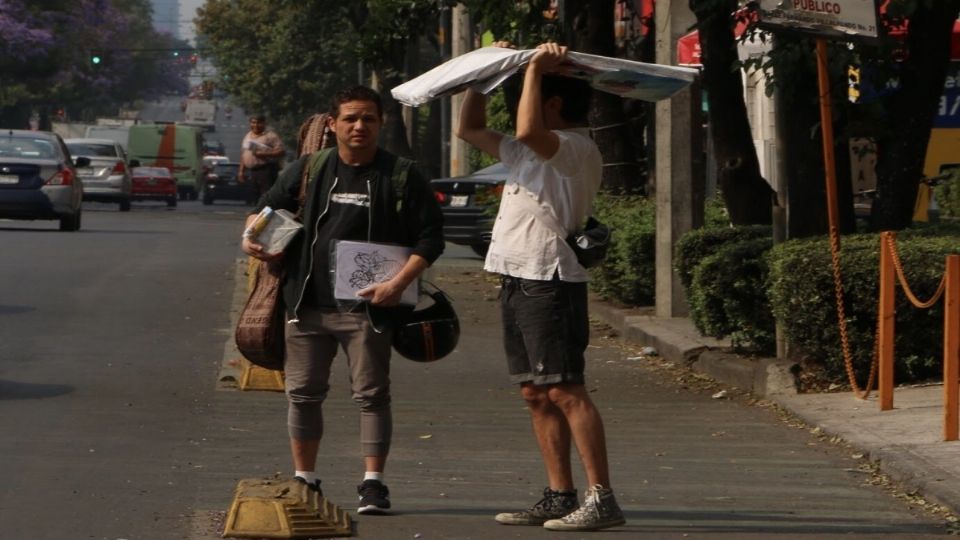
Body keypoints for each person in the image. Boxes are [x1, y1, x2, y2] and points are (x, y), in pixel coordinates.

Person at [240, 86, 444, 515]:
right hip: (307, 305)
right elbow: (265, 209)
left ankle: (373, 483)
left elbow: (431, 239)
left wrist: (397, 284)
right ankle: (305, 478)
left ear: (380, 124)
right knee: (302, 393)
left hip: (369, 308)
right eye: (350, 118)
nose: (359, 126)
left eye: (368, 118)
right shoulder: (310, 168)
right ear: (332, 124)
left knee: (371, 395)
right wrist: (252, 240)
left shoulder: (402, 175)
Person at [455, 42, 626, 532]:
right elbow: (467, 129)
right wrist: (480, 77)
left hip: (550, 280)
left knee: (566, 389)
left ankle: (602, 497)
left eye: (529, 93)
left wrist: (532, 67)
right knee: (536, 392)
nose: (516, 110)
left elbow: (529, 127)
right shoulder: (525, 152)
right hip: (517, 277)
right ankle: (559, 494)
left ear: (552, 103)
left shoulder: (573, 146)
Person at [238, 115, 285, 198]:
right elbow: (243, 154)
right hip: (253, 171)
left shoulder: (270, 136)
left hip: (267, 170)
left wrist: (263, 154)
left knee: (266, 196)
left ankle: (266, 211)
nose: (256, 125)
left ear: (264, 124)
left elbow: (281, 152)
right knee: (255, 195)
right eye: (253, 123)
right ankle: (258, 211)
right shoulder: (248, 136)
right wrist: (241, 171)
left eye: (259, 123)